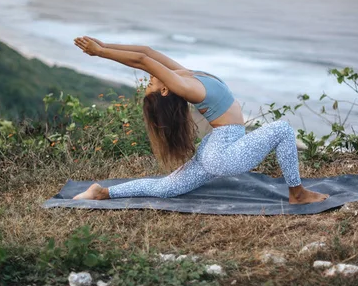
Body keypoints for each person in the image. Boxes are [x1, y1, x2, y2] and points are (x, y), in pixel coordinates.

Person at [72, 36, 329, 204]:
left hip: (215, 149)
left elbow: (146, 52)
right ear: (165, 90)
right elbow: (143, 61)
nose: (148, 78)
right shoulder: (187, 87)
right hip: (225, 152)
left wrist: (103, 45)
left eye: (148, 80)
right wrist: (100, 54)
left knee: (166, 188)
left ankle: (103, 192)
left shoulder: (184, 75)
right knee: (283, 128)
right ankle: (297, 193)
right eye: (150, 82)